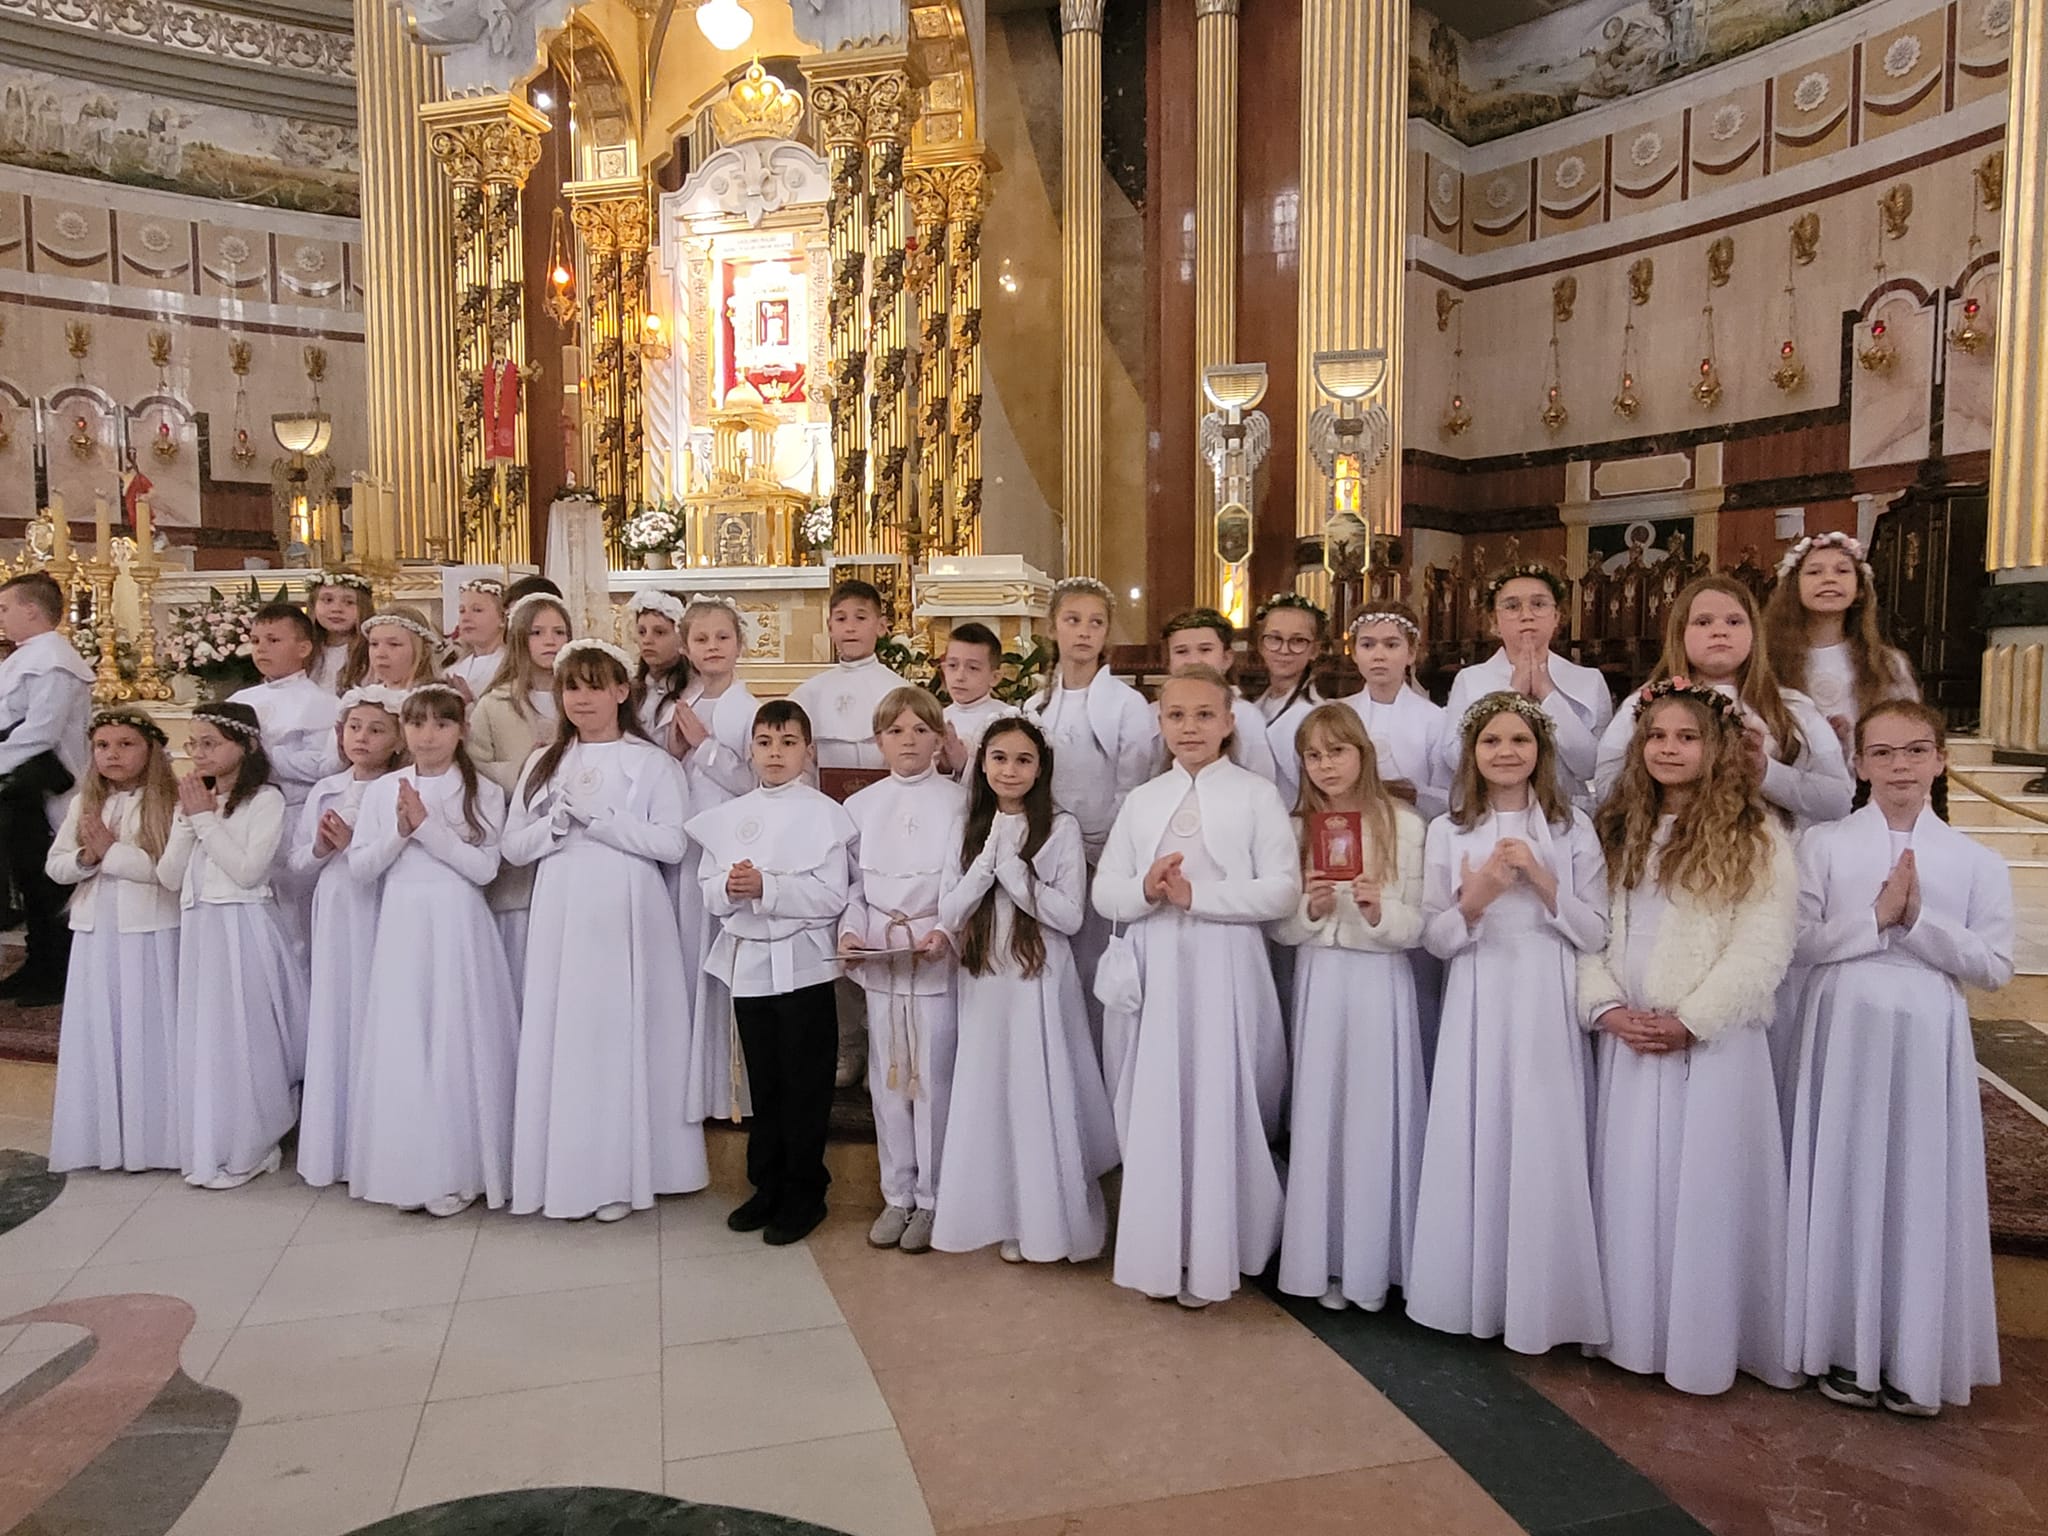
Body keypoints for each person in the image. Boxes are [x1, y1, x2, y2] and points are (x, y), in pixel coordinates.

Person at [1784, 701, 2011, 1416]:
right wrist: (1874, 919)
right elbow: (1797, 943)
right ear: (1859, 765)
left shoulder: (1976, 861)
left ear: (1941, 759)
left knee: (1919, 1179)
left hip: (1925, 1028)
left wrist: (1917, 921)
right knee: (1844, 1172)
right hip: (1844, 1020)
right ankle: (1842, 1346)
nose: (1899, 766)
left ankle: (1915, 1356)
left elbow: (1995, 966)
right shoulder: (1822, 845)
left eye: (1915, 751)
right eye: (1881, 753)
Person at [1582, 680, 1799, 1395]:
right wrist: (1606, 1007)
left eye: (1687, 737)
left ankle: (1703, 1340)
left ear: (1719, 748)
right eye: (1656, 737)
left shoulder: (1756, 836)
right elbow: (1587, 931)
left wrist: (1693, 1020)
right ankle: (1631, 1332)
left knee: (1702, 1191)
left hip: (1710, 1042)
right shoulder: (1616, 829)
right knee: (1632, 1187)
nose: (1668, 749)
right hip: (1631, 1032)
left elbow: (1763, 945)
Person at [1408, 691, 1610, 1354]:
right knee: (1480, 1126)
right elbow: (1434, 938)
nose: (1505, 752)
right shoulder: (1449, 830)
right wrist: (1478, 899)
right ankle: (1472, 1289)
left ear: (1540, 751)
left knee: (1543, 1130)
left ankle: (1544, 1300)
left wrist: (1544, 883)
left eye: (1519, 740)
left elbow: (1596, 931)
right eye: (1491, 741)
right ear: (1472, 753)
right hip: (1478, 991)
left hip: (1546, 992)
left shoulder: (1573, 829)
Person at [1092, 668, 1299, 1308]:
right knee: (1155, 1103)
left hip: (1225, 967)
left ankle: (1218, 1250)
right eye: (1177, 715)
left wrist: (1197, 897)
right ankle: (1160, 1251)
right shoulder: (1142, 800)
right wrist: (1147, 889)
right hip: (1156, 970)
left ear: (1229, 722)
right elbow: (1106, 892)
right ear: (1160, 723)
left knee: (1220, 1099)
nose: (1190, 727)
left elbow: (1282, 890)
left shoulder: (1256, 795)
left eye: (1205, 715)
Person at [503, 640, 707, 1222]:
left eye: (594, 686)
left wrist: (606, 823)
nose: (581, 698)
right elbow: (513, 847)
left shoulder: (652, 764)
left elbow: (673, 843)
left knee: (622, 1032)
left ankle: (626, 1172)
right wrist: (552, 828)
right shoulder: (544, 764)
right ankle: (569, 1171)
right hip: (562, 909)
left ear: (621, 691)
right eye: (571, 687)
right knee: (569, 1034)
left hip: (628, 908)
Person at [933, 717, 1117, 1265]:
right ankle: (998, 1211)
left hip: (1037, 976)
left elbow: (1070, 916)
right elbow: (950, 910)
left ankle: (1044, 1220)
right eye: (999, 758)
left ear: (1040, 769)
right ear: (983, 763)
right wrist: (984, 867)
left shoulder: (1059, 827)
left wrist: (1014, 874)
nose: (1009, 770)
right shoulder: (968, 824)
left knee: (1036, 1091)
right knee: (990, 1091)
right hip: (985, 974)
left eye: (1023, 760)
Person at [1273, 704, 1427, 1315]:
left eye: (1337, 751)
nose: (1326, 765)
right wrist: (1309, 910)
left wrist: (1378, 911)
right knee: (1322, 1116)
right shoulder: (1297, 828)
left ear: (1362, 753)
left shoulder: (1404, 826)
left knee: (1373, 1116)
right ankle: (1324, 1260)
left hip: (1378, 982)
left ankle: (1375, 1265)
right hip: (1320, 980)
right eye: (1313, 755)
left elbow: (1419, 925)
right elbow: (1280, 928)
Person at [687, 700, 855, 1247]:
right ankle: (767, 1185)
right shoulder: (733, 815)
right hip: (750, 967)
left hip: (804, 966)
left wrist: (770, 888)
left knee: (805, 1084)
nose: (775, 753)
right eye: (765, 742)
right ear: (750, 751)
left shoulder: (824, 814)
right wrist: (730, 886)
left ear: (809, 751)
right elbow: (709, 888)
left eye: (788, 743)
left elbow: (831, 897)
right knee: (764, 1081)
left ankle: (806, 1192)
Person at [347, 683, 518, 1216]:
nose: (428, 735)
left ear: (461, 730)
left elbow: (485, 869)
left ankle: (460, 1170)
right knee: (408, 1038)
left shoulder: (482, 790)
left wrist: (428, 829)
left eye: (442, 724)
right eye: (417, 723)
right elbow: (361, 868)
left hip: (458, 923)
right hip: (403, 923)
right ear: (404, 731)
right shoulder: (383, 790)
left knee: (455, 1038)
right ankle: (410, 1169)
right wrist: (400, 833)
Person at [156, 704, 307, 1190]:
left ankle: (256, 1141)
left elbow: (247, 871)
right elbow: (169, 876)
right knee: (210, 1038)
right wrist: (188, 821)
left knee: (247, 1034)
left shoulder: (266, 800)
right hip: (202, 928)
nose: (198, 753)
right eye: (193, 743)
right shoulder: (196, 801)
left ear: (246, 746)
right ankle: (216, 1139)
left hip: (243, 927)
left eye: (210, 743)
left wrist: (203, 820)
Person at [839, 687, 966, 1253]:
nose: (908, 741)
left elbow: (966, 882)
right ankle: (898, 1194)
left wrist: (948, 932)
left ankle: (935, 1198)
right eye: (896, 731)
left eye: (920, 730)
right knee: (888, 1081)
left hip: (933, 955)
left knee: (932, 1078)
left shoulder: (960, 803)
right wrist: (850, 932)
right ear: (878, 741)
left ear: (939, 738)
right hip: (882, 956)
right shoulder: (861, 806)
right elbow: (852, 888)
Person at [1593, 575, 1851, 827]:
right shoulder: (1642, 704)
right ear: (1680, 633)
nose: (1719, 631)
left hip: (1770, 849)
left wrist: (1765, 772)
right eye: (1703, 622)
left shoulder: (1792, 707)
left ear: (1754, 633)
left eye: (1734, 621)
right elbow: (1605, 789)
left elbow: (1838, 800)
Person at [1021, 577, 1158, 1040]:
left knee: (1095, 963)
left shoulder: (1127, 705)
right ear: (1052, 627)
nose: (1084, 631)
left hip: (1102, 850)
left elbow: (1132, 785)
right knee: (1050, 964)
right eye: (1073, 620)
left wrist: (1103, 849)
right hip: (1047, 853)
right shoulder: (1035, 705)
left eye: (1096, 623)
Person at [46, 709, 181, 1173]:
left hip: (150, 931)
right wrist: (86, 857)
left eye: (126, 744)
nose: (112, 754)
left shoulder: (170, 803)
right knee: (100, 1028)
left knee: (148, 1030)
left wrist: (111, 852)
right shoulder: (85, 803)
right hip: (95, 930)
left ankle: (156, 1140)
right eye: (103, 746)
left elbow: (166, 873)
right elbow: (56, 865)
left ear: (150, 750)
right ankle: (101, 1137)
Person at [788, 578, 905, 1088]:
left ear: (881, 624)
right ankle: (848, 1042)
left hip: (884, 828)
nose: (851, 627)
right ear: (830, 627)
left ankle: (884, 1042)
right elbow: (798, 761)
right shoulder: (810, 693)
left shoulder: (898, 691)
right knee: (835, 926)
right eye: (841, 619)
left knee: (876, 922)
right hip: (830, 827)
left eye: (861, 617)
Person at [290, 684, 406, 1189]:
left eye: (377, 730)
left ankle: (380, 1139)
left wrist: (359, 843)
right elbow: (296, 863)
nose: (362, 738)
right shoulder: (326, 790)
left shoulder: (401, 787)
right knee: (339, 1010)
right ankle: (334, 1142)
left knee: (379, 1006)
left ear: (398, 740)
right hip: (337, 905)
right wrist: (321, 847)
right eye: (354, 728)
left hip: (381, 902)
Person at [670, 596, 759, 1126]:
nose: (712, 647)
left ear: (740, 644)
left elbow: (753, 781)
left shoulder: (748, 710)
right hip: (684, 849)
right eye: (701, 639)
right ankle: (690, 1080)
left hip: (727, 847)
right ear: (686, 647)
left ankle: (728, 1084)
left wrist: (703, 747)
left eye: (722, 637)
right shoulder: (681, 701)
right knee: (687, 957)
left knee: (722, 963)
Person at [1438, 565, 1613, 809]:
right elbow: (1456, 758)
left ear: (1557, 616)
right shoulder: (1471, 679)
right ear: (1494, 621)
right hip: (1490, 810)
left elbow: (1591, 766)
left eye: (1538, 604)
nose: (1526, 615)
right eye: (1512, 606)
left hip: (1565, 810)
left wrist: (1547, 693)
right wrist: (1513, 695)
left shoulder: (1589, 680)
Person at [0, 571, 93, 1004]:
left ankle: (57, 970)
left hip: (45, 782)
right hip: (18, 782)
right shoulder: (26, 656)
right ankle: (38, 960)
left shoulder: (54, 660)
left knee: (47, 879)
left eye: (5, 608)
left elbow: (41, 729)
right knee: (27, 875)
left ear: (32, 610)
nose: (1, 617)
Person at [468, 592, 571, 977]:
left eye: (559, 632)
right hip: (519, 853)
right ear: (519, 639)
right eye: (537, 633)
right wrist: (527, 770)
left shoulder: (581, 697)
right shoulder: (495, 703)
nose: (550, 641)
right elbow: (475, 767)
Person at [230, 601, 341, 953]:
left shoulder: (321, 703)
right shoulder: (240, 700)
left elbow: (325, 765)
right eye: (256, 640)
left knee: (297, 921)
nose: (261, 648)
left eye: (273, 640)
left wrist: (262, 755)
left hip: (294, 814)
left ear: (304, 648)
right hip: (245, 815)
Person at [1762, 532, 1918, 757]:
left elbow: (1907, 733)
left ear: (1860, 589)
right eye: (1815, 572)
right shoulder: (1767, 661)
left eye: (1842, 571)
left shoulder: (1887, 664)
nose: (1829, 579)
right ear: (1794, 587)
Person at [1342, 600, 1450, 820]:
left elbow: (1450, 796)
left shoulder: (1434, 719)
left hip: (1415, 827)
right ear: (1354, 653)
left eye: (1391, 645)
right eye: (1367, 645)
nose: (1378, 655)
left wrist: (1416, 794)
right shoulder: (1341, 714)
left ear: (1411, 653)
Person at [1158, 608, 1279, 783]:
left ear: (1227, 658)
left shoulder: (1246, 716)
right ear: (1168, 661)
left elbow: (1262, 776)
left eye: (1205, 650)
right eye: (1181, 651)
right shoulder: (1153, 713)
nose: (1194, 660)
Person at [1249, 593, 1327, 807]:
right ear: (1261, 645)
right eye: (1274, 639)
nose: (1284, 650)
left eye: (1298, 641)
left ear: (1314, 650)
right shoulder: (1253, 707)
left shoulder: (1315, 714)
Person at [937, 622, 1016, 776]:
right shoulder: (937, 718)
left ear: (995, 677)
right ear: (943, 669)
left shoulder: (1007, 721)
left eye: (972, 668)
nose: (960, 676)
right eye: (952, 665)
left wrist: (964, 765)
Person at [628, 589, 690, 741]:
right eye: (642, 632)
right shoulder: (631, 691)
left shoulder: (693, 690)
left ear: (681, 638)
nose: (647, 640)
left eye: (659, 632)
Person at [306, 571, 373, 692]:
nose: (336, 609)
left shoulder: (371, 652)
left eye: (349, 602)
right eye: (328, 600)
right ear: (313, 605)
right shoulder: (305, 651)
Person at [444, 576, 508, 700]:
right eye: (462, 611)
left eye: (477, 610)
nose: (466, 618)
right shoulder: (453, 671)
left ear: (503, 618)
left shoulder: (512, 668)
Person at [359, 608, 442, 689]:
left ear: (424, 652)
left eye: (393, 644)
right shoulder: (361, 695)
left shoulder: (436, 696)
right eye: (374, 644)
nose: (380, 654)